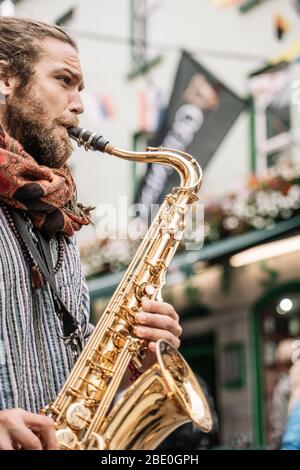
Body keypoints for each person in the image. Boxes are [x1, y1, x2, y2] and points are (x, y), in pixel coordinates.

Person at [0, 17, 182, 450]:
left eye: (81, 88)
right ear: (5, 78)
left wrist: (127, 361)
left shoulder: (54, 214)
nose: (79, 104)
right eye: (65, 80)